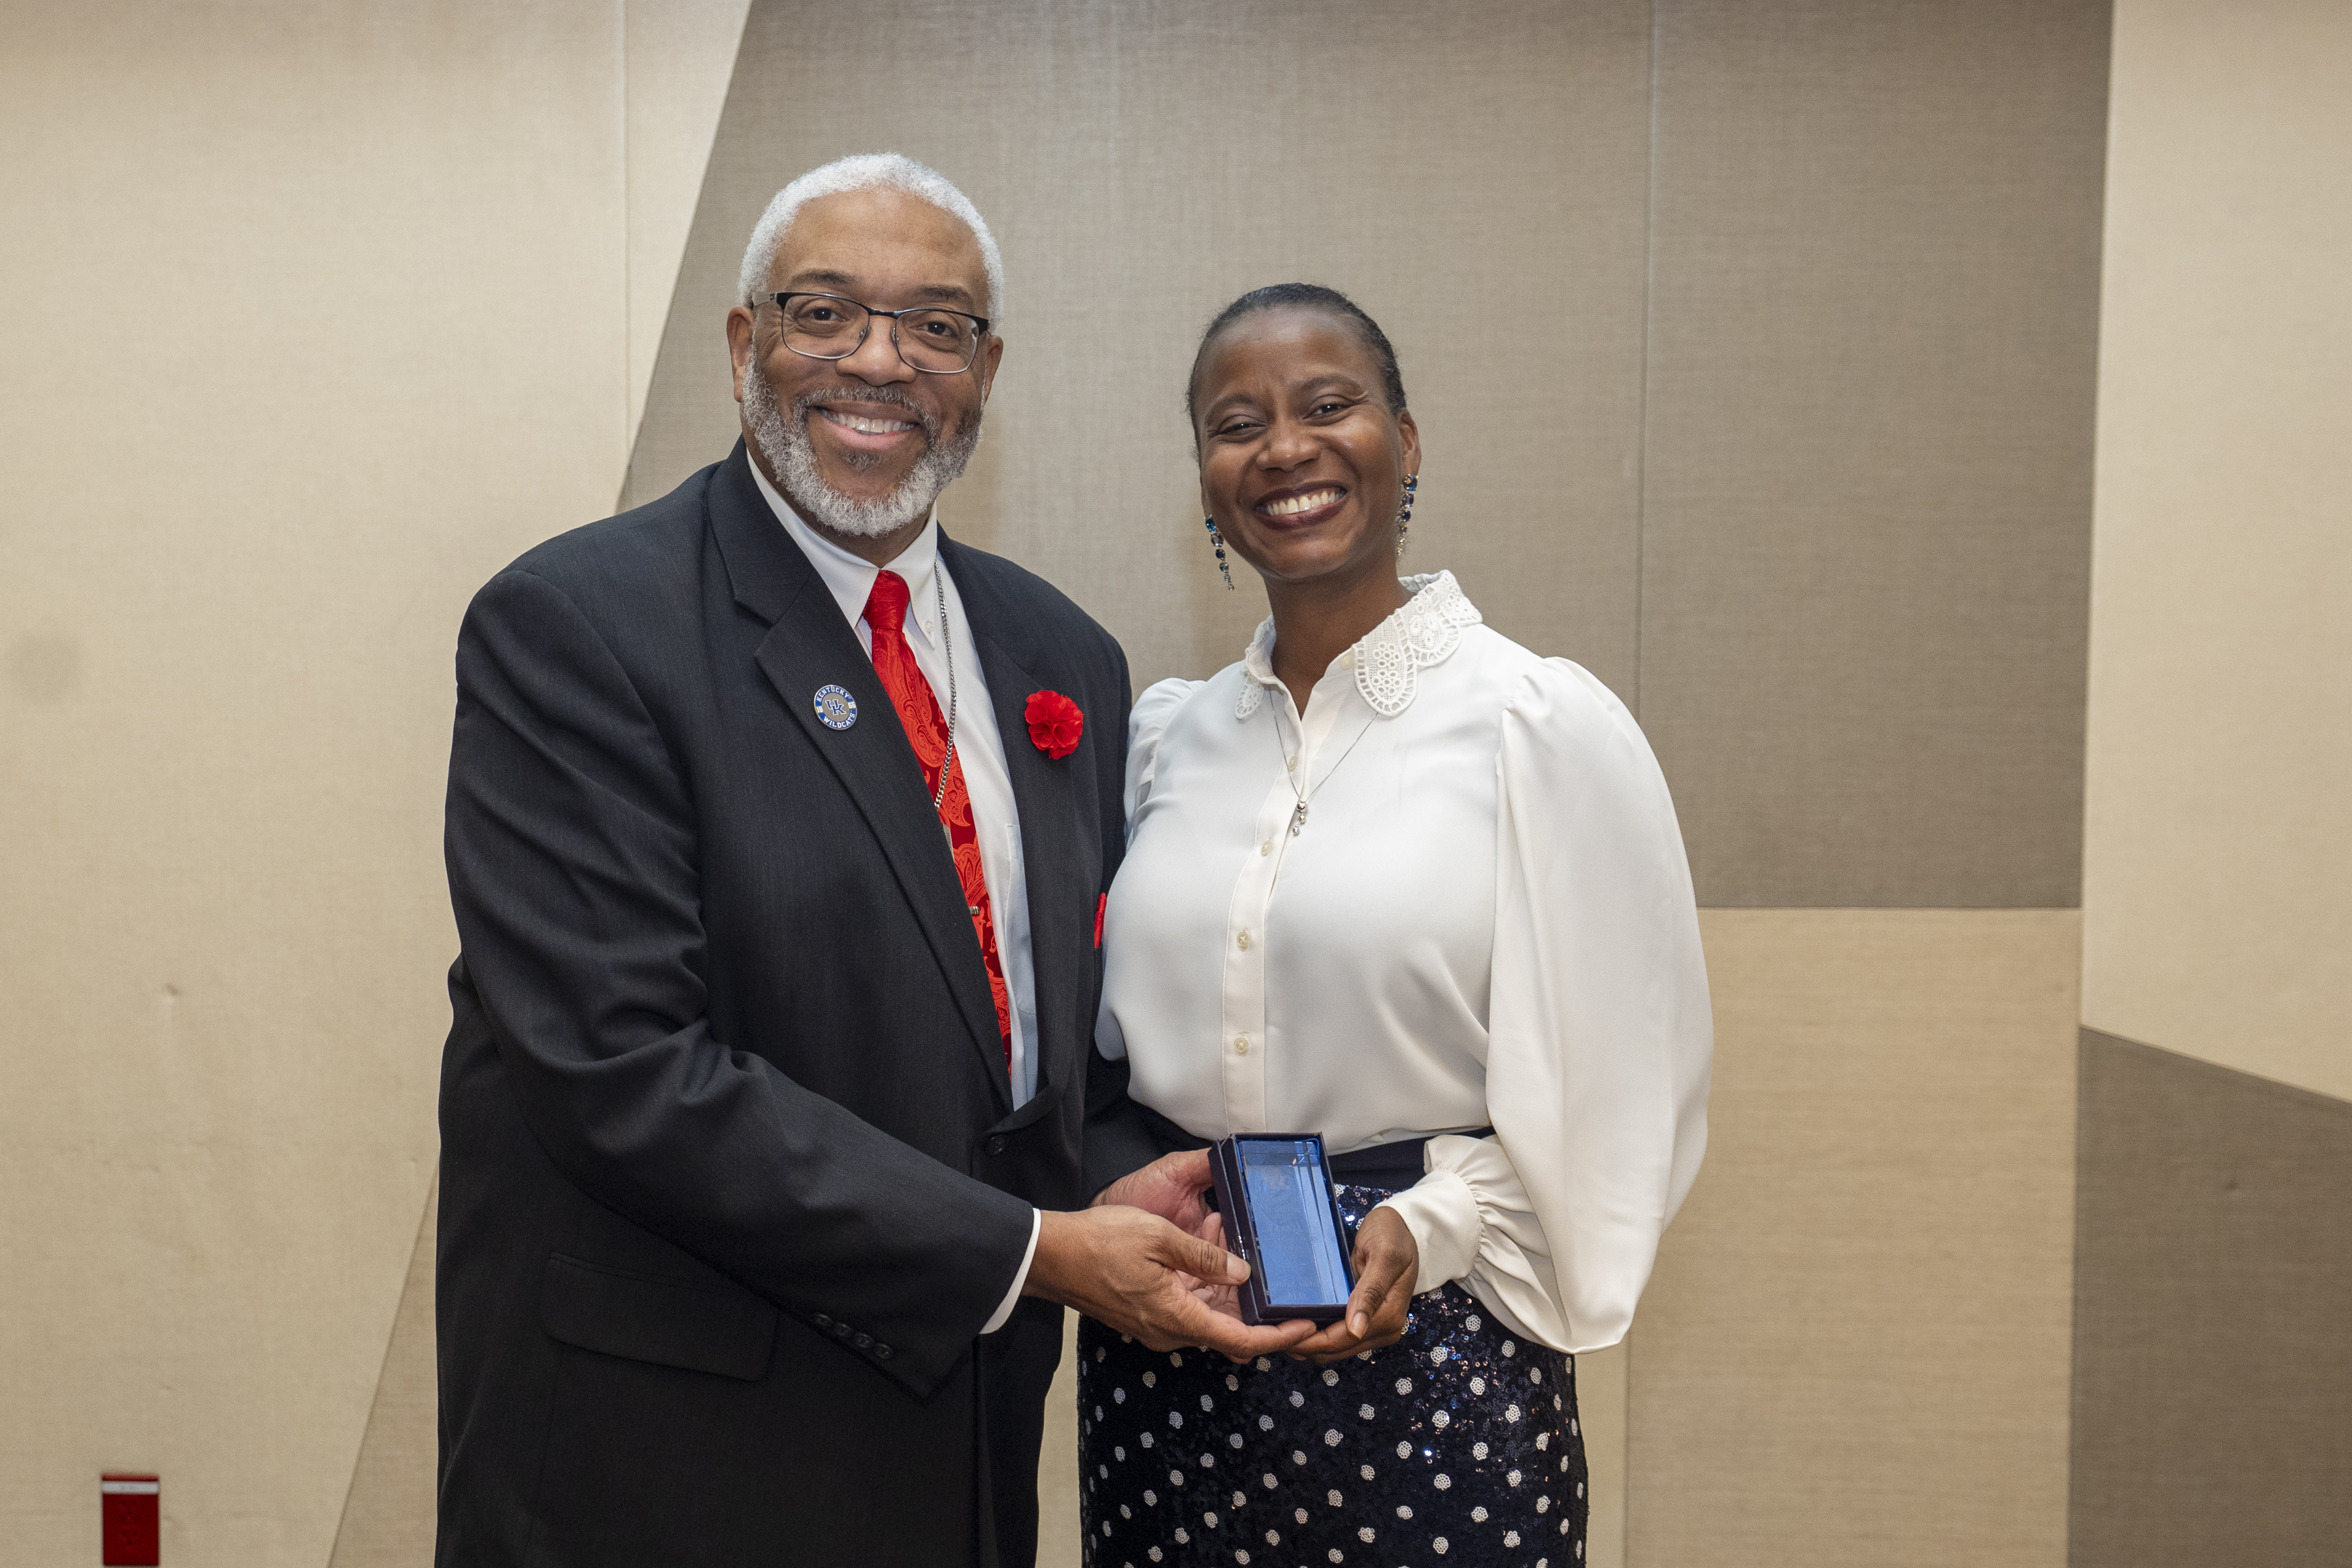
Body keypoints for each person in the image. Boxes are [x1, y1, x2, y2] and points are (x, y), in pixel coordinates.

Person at [434, 154, 1305, 1568]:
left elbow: (1026, 1035)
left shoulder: (1059, 655)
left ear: (987, 367)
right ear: (742, 346)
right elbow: (623, 1072)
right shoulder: (578, 627)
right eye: (824, 313)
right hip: (667, 1452)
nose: (878, 363)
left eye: (936, 326)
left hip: (961, 1438)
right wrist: (1031, 1252)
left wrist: (1108, 1181)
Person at [1076, 284, 1714, 1567]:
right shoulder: (1166, 737)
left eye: (1329, 405)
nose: (1284, 449)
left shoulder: (1535, 725)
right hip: (1171, 1343)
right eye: (1235, 422)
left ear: (1405, 442)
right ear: (1204, 479)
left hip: (1438, 1345)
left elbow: (1624, 1098)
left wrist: (1435, 1223)